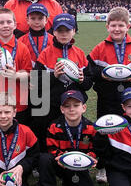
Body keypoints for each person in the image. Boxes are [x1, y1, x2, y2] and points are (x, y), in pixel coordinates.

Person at [87, 7, 131, 183]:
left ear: (129, 26)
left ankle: (129, 163)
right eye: (113, 25)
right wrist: (101, 74)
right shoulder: (100, 48)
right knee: (104, 131)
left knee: (129, 130)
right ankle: (102, 166)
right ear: (107, 26)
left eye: (121, 25)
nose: (117, 29)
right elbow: (89, 69)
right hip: (107, 99)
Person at [39, 90, 105, 186]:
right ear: (62, 109)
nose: (72, 109)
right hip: (60, 165)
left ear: (84, 108)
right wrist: (62, 157)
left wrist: (91, 158)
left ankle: (69, 185)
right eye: (67, 106)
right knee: (44, 159)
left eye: (76, 105)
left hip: (79, 167)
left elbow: (94, 149)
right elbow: (51, 148)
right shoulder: (54, 127)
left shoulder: (91, 128)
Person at [32, 13, 92, 152]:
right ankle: (46, 159)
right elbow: (36, 83)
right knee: (47, 132)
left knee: (72, 132)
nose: (64, 34)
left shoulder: (80, 54)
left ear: (74, 31)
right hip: (52, 105)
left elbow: (89, 84)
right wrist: (54, 76)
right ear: (54, 32)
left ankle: (73, 158)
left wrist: (83, 80)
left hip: (73, 105)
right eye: (60, 31)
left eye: (68, 30)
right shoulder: (45, 54)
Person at [18, 3, 54, 67]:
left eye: (40, 18)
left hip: (48, 74)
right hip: (27, 74)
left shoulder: (53, 41)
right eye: (33, 18)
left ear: (46, 20)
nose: (37, 22)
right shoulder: (21, 41)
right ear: (27, 20)